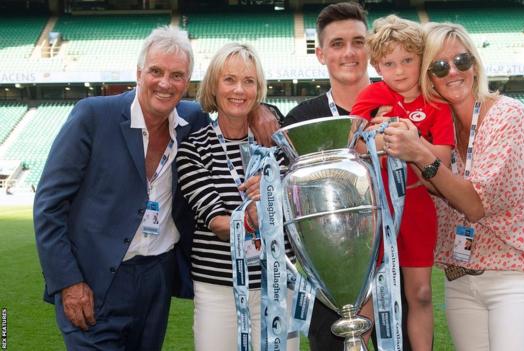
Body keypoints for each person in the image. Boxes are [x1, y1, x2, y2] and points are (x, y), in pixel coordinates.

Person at [383, 22, 524, 350]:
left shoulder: (506, 115)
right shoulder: (438, 127)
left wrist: (419, 151)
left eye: (461, 61)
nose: (452, 71)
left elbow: (474, 203)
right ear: (427, 77)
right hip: (460, 279)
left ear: (475, 65)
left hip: (516, 275)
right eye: (439, 66)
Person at [33, 26, 207, 349]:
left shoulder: (192, 120)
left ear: (187, 83)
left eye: (176, 75)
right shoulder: (93, 116)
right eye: (156, 71)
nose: (165, 83)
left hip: (156, 278)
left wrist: (265, 112)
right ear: (139, 72)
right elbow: (48, 205)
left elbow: (235, 113)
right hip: (92, 279)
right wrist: (68, 282)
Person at [176, 43, 298, 351]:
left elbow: (298, 208)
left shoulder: (279, 144)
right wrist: (264, 206)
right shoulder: (194, 148)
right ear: (214, 87)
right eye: (229, 79)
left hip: (278, 283)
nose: (239, 90)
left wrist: (274, 195)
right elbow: (217, 223)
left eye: (249, 81)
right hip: (219, 289)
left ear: (259, 90)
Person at [351, 15, 454, 351]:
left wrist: (399, 138)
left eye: (408, 60)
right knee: (366, 294)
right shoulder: (371, 94)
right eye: (389, 63)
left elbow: (440, 160)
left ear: (421, 59)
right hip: (376, 205)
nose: (399, 71)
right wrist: (377, 140)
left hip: (417, 204)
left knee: (420, 293)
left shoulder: (437, 101)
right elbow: (353, 144)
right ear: (377, 65)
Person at [282, 3, 372, 350]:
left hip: (396, 279)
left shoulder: (397, 107)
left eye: (358, 41)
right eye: (337, 44)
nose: (349, 52)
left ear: (370, 47)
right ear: (320, 53)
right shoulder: (301, 121)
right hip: (329, 284)